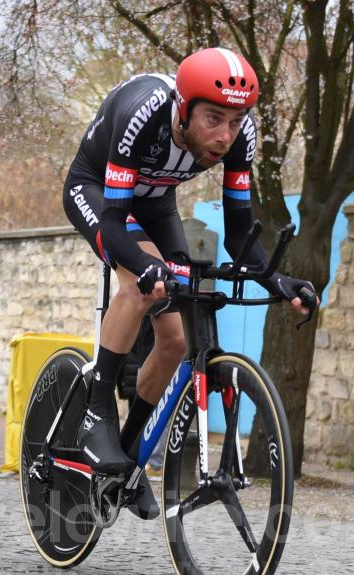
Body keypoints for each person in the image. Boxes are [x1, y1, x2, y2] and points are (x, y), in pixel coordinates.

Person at [63, 47, 318, 520]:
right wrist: (146, 265)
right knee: (140, 283)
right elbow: (117, 224)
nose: (225, 136)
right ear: (183, 109)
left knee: (176, 341)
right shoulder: (144, 113)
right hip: (98, 192)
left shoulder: (240, 137)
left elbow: (242, 234)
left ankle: (126, 457)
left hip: (156, 202)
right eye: (214, 119)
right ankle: (96, 414)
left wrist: (279, 281)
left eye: (236, 121)